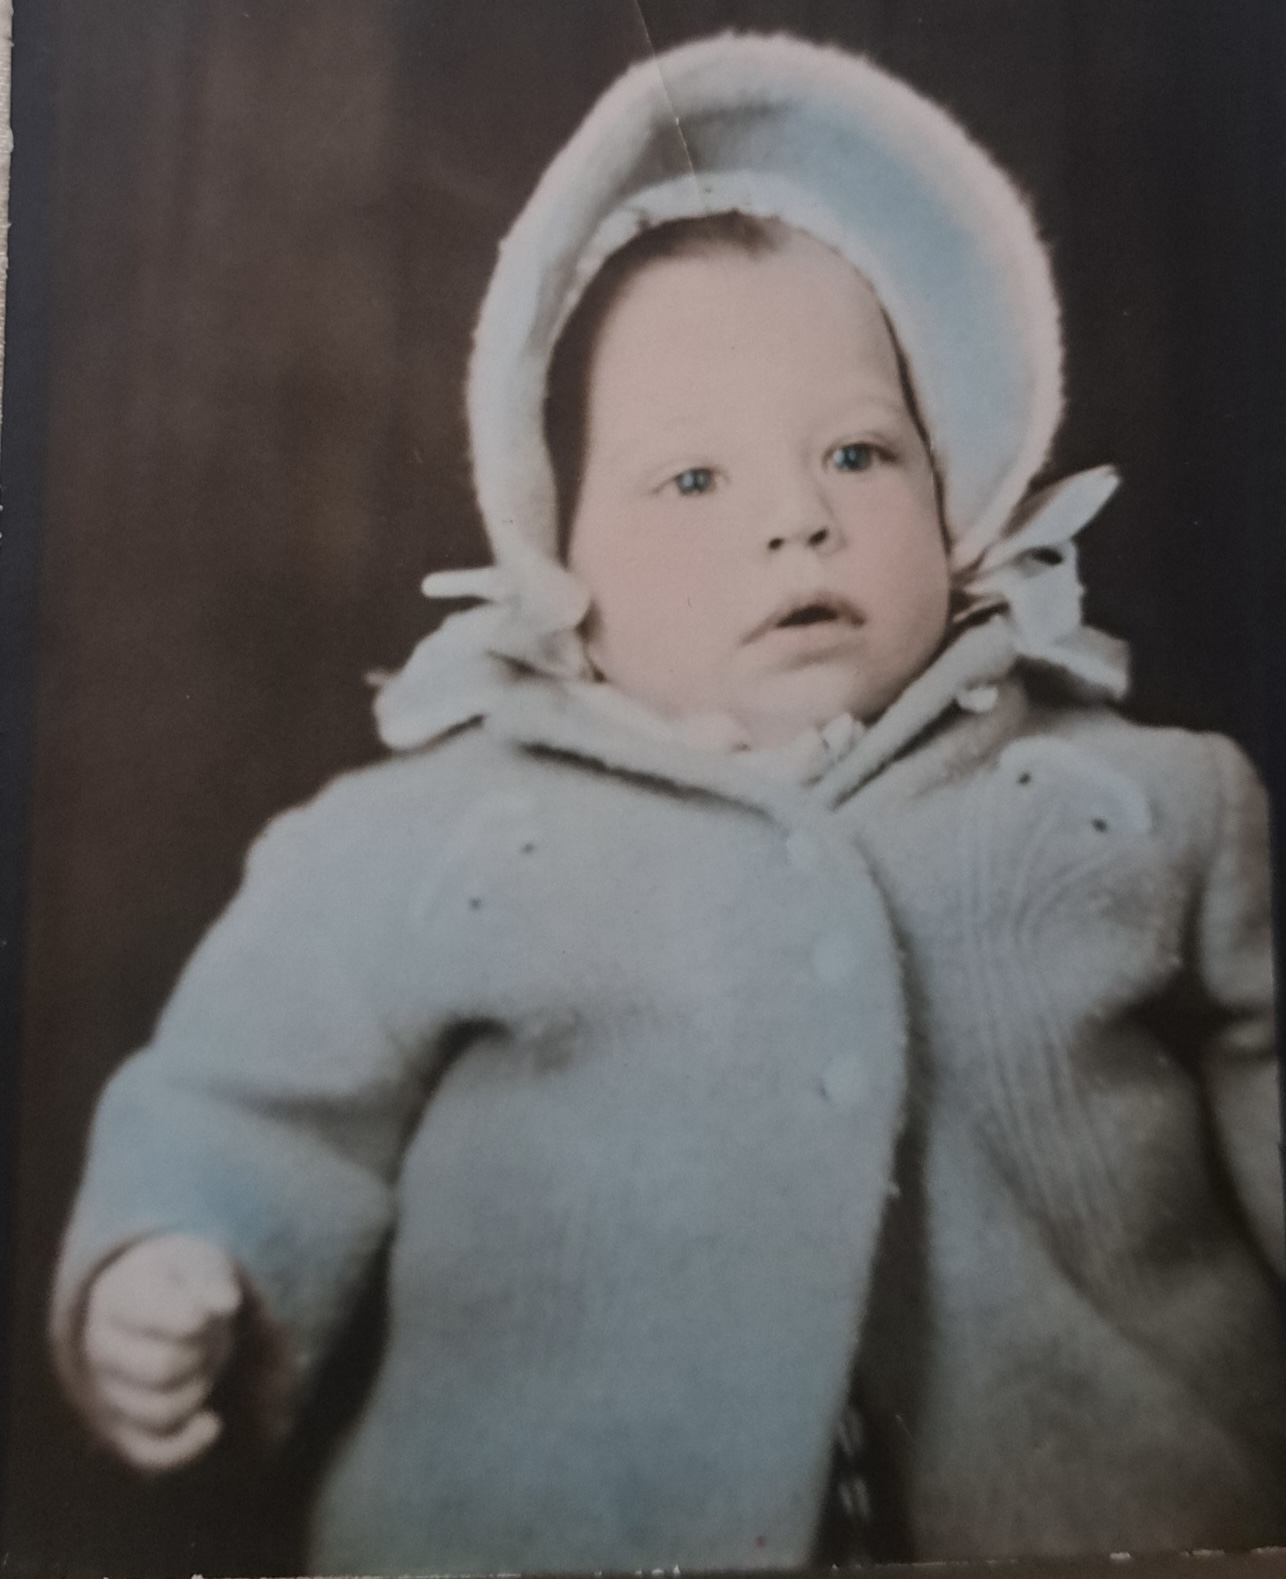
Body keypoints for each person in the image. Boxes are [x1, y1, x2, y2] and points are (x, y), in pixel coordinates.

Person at [51, 32, 1286, 1572]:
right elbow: (253, 1100)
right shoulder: (440, 837)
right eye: (691, 480)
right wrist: (176, 1259)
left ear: (957, 486)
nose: (798, 519)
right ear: (552, 552)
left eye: (858, 451)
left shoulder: (1140, 801)